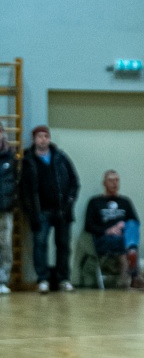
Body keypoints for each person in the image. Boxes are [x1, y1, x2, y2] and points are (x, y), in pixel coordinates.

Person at [19, 125, 79, 293]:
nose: (43, 139)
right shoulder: (28, 161)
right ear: (34, 140)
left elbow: (74, 182)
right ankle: (43, 279)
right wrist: (31, 212)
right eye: (39, 136)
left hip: (62, 211)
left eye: (46, 136)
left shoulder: (61, 158)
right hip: (41, 212)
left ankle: (63, 279)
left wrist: (69, 202)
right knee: (40, 245)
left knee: (63, 246)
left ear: (49, 138)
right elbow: (24, 190)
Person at [84, 171, 144, 288]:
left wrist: (122, 225)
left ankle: (128, 275)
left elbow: (135, 222)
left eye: (117, 180)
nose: (114, 183)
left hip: (123, 236)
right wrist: (108, 230)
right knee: (128, 244)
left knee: (131, 225)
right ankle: (134, 275)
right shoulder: (95, 202)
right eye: (111, 180)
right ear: (104, 183)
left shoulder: (125, 202)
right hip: (104, 239)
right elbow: (88, 226)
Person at [0, 125, 17, 294]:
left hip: (5, 208)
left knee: (5, 244)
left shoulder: (10, 156)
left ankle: (2, 280)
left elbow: (16, 180)